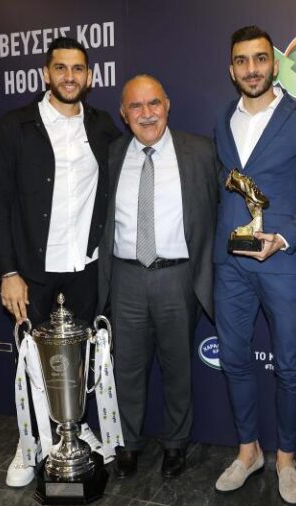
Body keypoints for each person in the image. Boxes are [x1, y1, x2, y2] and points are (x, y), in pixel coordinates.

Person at [0, 36, 120, 487]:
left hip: (86, 267)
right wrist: (8, 271)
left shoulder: (102, 126)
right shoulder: (16, 125)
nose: (69, 76)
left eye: (78, 68)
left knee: (79, 360)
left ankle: (74, 429)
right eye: (60, 68)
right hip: (32, 270)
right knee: (32, 362)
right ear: (46, 73)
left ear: (89, 76)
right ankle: (29, 443)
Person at [213, 25, 296, 505]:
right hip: (230, 264)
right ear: (231, 69)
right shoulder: (223, 118)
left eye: (260, 59)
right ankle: (249, 452)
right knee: (234, 358)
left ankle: (286, 457)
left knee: (288, 365)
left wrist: (282, 238)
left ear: (275, 64)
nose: (252, 69)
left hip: (281, 262)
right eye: (242, 61)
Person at [97, 74, 218, 479]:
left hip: (177, 277)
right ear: (123, 113)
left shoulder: (200, 151)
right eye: (136, 106)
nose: (146, 113)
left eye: (153, 103)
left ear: (167, 105)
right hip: (125, 277)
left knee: (177, 367)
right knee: (126, 368)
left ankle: (175, 444)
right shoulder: (112, 154)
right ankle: (128, 444)